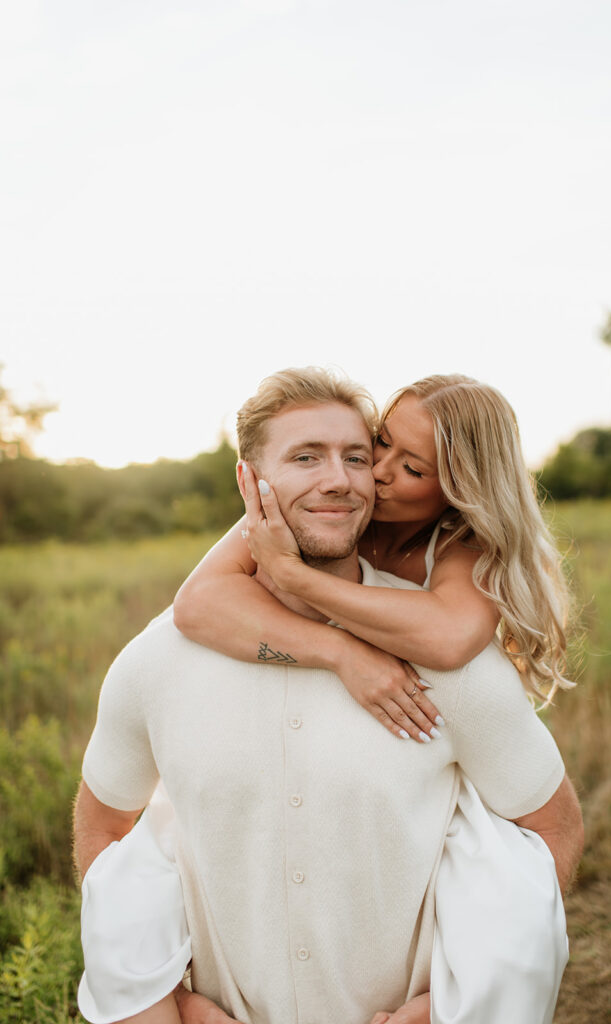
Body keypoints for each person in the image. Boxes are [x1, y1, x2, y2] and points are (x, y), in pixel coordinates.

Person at [73, 368, 582, 1024]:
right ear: (249, 482)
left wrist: (455, 1003)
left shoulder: (451, 644)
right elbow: (103, 828)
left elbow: (551, 829)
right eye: (306, 457)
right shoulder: (159, 658)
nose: (343, 479)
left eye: (356, 458)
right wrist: (159, 1003)